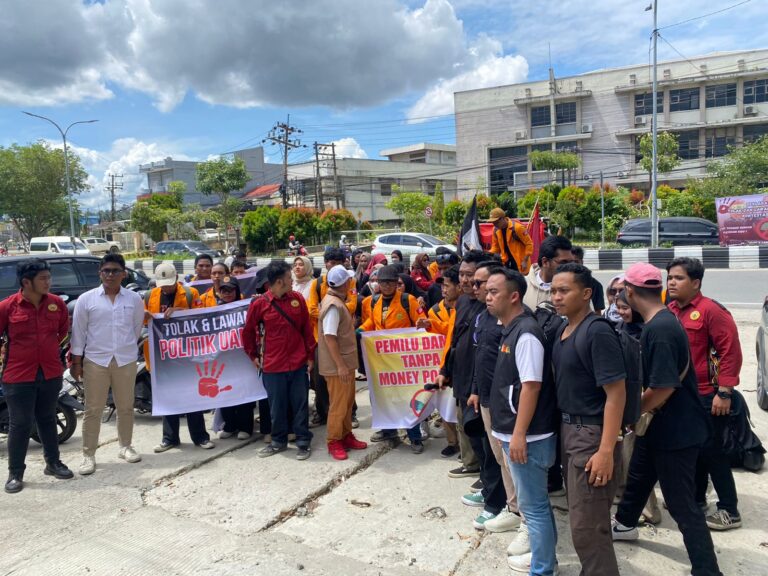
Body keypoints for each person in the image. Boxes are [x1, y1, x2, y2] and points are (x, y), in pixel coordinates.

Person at [613, 262, 722, 576]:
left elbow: (663, 387)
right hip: (663, 427)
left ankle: (707, 568)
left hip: (676, 431)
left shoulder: (659, 330)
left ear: (630, 292)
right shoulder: (663, 320)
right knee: (639, 477)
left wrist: (632, 414)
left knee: (681, 503)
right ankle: (624, 524)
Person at [550, 263, 626, 576]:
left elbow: (616, 393)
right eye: (553, 290)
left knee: (588, 527)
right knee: (583, 523)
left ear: (586, 293)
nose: (556, 297)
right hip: (569, 430)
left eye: (563, 291)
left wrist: (606, 451)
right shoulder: (563, 329)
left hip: (590, 435)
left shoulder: (596, 332)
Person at [486, 267, 558, 575]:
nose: (486, 297)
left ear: (514, 296)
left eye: (493, 292)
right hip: (518, 434)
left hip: (529, 439)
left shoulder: (526, 333)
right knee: (537, 505)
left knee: (534, 507)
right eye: (486, 291)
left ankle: (542, 569)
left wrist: (518, 435)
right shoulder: (511, 328)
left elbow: (531, 386)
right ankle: (545, 559)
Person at [666, 257, 743, 531]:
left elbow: (730, 352)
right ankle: (697, 499)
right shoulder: (671, 310)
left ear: (696, 283)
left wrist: (724, 391)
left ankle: (729, 510)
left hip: (709, 395)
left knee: (713, 453)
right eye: (670, 277)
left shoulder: (711, 311)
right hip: (682, 395)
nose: (672, 282)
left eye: (679, 278)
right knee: (694, 450)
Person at [0, 259, 73, 493]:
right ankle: (15, 473)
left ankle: (53, 463)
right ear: (26, 282)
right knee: (20, 424)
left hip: (50, 373)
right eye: (43, 278)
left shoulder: (56, 305)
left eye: (49, 277)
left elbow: (63, 331)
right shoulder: (7, 307)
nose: (48, 282)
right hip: (18, 375)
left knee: (48, 419)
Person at [71, 254, 145, 475]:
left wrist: (125, 350)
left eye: (115, 271)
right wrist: (76, 362)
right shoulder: (87, 299)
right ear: (99, 273)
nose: (110, 275)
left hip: (125, 360)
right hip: (95, 361)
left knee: (125, 407)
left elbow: (135, 329)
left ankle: (125, 446)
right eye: (106, 271)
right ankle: (88, 454)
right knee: (93, 409)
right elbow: (79, 333)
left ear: (124, 274)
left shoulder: (133, 299)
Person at [464, 261, 519, 533]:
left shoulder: (517, 323)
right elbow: (479, 356)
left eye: (483, 285)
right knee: (498, 457)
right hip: (485, 400)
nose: (479, 291)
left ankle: (520, 510)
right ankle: (512, 506)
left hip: (506, 404)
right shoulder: (482, 317)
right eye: (475, 284)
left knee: (512, 459)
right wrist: (475, 389)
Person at [243, 261, 316, 460]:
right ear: (278, 281)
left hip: (298, 363)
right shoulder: (260, 304)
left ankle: (303, 441)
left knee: (300, 405)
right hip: (272, 366)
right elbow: (248, 332)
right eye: (288, 278)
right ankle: (278, 441)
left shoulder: (298, 299)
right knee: (277, 407)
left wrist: (310, 356)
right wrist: (253, 356)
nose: (292, 281)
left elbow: (306, 331)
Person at [146, 262, 214, 453]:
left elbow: (203, 318)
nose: (166, 287)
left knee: (192, 395)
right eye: (163, 284)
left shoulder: (190, 293)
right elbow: (144, 323)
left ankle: (200, 437)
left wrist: (180, 312)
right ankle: (170, 438)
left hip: (187, 354)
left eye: (169, 283)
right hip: (162, 356)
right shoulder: (150, 296)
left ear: (176, 278)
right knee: (168, 397)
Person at [361, 265, 426, 452]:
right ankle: (388, 430)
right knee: (382, 395)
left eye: (390, 282)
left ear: (397, 283)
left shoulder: (408, 300)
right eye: (383, 282)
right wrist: (361, 330)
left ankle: (415, 436)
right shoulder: (373, 302)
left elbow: (421, 324)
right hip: (381, 359)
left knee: (406, 397)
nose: (387, 286)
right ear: (378, 284)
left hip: (403, 361)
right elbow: (371, 323)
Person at [437, 250, 487, 478]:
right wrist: (445, 370)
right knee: (463, 424)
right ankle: (471, 465)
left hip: (480, 381)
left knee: (480, 430)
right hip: (461, 374)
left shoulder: (489, 305)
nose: (466, 281)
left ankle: (486, 477)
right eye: (463, 275)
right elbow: (453, 338)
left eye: (472, 276)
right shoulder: (463, 301)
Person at [318, 265, 367, 460]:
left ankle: (346, 435)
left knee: (346, 403)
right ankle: (334, 440)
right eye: (349, 280)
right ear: (344, 283)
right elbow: (330, 337)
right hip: (338, 366)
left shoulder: (336, 301)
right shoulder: (333, 305)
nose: (351, 282)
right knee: (338, 405)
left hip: (344, 364)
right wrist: (340, 366)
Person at [307, 249, 358, 427]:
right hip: (321, 340)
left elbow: (352, 305)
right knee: (326, 385)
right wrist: (330, 312)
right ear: (326, 263)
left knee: (347, 391)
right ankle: (329, 423)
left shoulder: (347, 284)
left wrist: (333, 309)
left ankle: (349, 420)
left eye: (338, 261)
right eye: (331, 261)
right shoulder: (318, 285)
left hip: (341, 341)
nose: (335, 264)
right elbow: (312, 308)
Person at [203, 275, 255, 440]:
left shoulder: (246, 307)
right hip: (222, 359)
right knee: (225, 392)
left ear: (237, 291)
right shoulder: (214, 310)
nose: (227, 293)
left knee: (243, 392)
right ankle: (230, 425)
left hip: (242, 358)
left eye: (230, 290)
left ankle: (245, 427)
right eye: (223, 290)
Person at [417, 265, 461, 458]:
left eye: (447, 286)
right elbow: (448, 329)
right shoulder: (438, 309)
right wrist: (430, 324)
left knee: (459, 408)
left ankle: (467, 450)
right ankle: (453, 443)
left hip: (458, 366)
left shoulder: (463, 308)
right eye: (442, 286)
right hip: (444, 365)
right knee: (445, 405)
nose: (444, 290)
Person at [523, 235, 575, 310]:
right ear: (545, 262)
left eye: (571, 262)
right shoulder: (522, 287)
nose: (569, 267)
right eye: (563, 262)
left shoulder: (575, 288)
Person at [487, 208, 533, 274]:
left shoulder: (518, 228)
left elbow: (529, 244)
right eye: (493, 223)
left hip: (520, 263)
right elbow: (495, 248)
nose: (495, 225)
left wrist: (525, 260)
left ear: (502, 218)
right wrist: (487, 254)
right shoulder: (495, 230)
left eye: (496, 222)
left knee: (521, 283)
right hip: (506, 264)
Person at [571, 246, 605, 315]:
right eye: (570, 262)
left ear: (582, 262)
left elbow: (598, 313)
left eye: (576, 262)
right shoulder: (559, 282)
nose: (573, 265)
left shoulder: (595, 285)